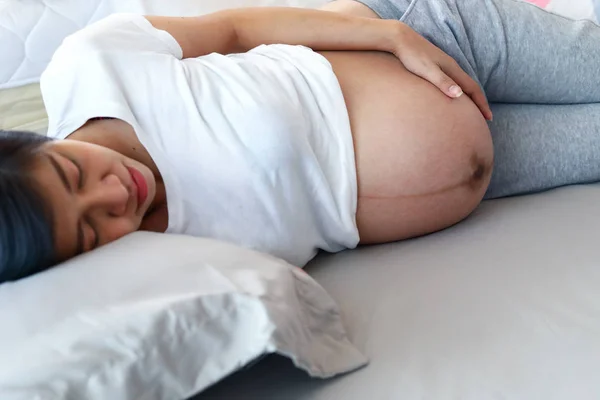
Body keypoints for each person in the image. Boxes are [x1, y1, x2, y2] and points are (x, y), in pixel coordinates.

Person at [1, 0, 599, 283]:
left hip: (431, 41)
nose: (112, 196)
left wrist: (390, 33)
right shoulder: (143, 269)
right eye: (88, 229)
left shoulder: (91, 67)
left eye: (71, 174)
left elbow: (238, 28)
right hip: (495, 167)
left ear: (35, 140)